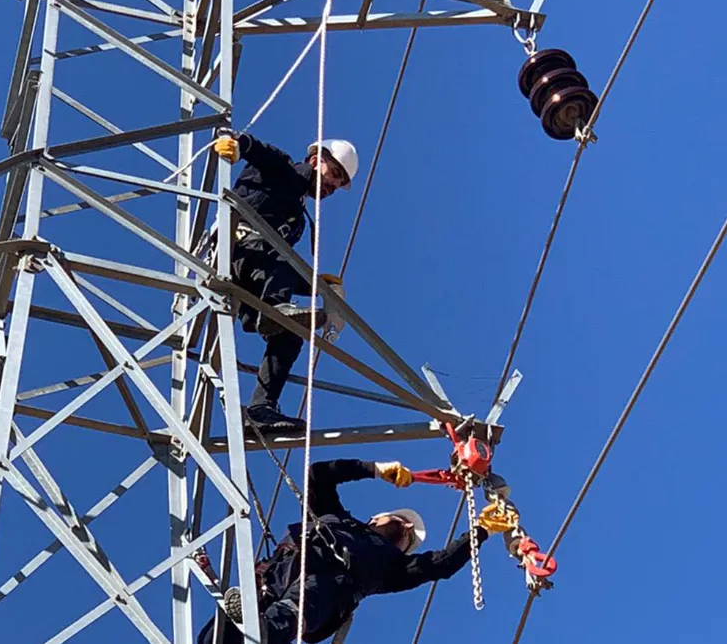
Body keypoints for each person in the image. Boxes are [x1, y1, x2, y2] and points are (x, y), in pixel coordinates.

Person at [195, 458, 512, 644]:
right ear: (374, 518)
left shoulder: (393, 569)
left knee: (303, 600)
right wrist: (374, 469)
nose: (406, 529)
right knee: (219, 634)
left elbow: (441, 564)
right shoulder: (334, 516)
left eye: (409, 536)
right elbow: (318, 475)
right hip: (274, 576)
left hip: (319, 595)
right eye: (401, 521)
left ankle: (263, 629)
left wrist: (480, 530)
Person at [212, 132, 359, 432]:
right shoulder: (284, 169)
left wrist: (319, 286)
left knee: (290, 336)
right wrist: (238, 145)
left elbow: (278, 270)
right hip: (237, 247)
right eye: (334, 174)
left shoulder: (298, 218)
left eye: (338, 184)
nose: (332, 186)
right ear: (316, 160)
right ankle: (275, 309)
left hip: (255, 269)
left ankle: (261, 410)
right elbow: (259, 150)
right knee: (283, 255)